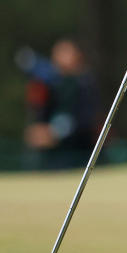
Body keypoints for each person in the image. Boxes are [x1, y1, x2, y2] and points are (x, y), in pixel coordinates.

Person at [22, 38, 99, 170]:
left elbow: (87, 119)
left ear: (77, 56)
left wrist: (55, 133)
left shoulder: (85, 83)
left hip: (80, 154)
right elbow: (39, 114)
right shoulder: (47, 83)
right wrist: (37, 131)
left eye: (66, 53)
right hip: (50, 157)